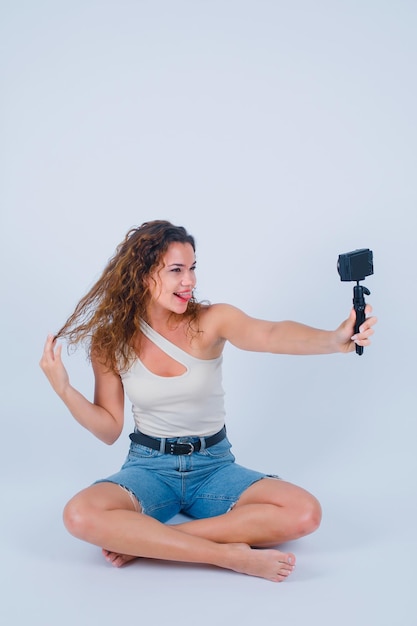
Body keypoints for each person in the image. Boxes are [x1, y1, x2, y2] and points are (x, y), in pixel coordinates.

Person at [39, 220, 377, 583]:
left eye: (192, 268)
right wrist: (64, 390)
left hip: (214, 467)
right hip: (149, 468)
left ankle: (149, 542)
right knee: (78, 514)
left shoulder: (211, 321)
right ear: (141, 275)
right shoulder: (110, 342)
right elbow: (108, 429)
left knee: (305, 513)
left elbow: (270, 333)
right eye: (176, 271)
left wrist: (334, 338)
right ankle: (224, 555)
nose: (190, 281)